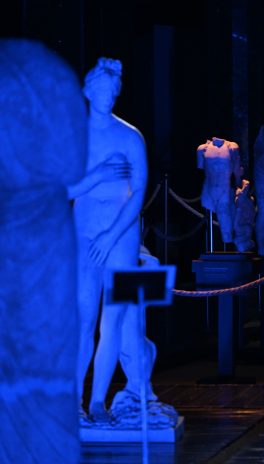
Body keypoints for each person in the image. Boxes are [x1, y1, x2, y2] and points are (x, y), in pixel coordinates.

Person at [0, 39, 86, 463]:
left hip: (41, 235)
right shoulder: (41, 71)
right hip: (38, 230)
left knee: (44, 367)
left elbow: (71, 162)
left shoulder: (38, 73)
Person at [69, 57, 148, 422]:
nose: (108, 96)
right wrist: (97, 176)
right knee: (84, 318)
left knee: (112, 320)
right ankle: (74, 402)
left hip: (121, 236)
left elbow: (138, 191)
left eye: (113, 90)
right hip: (85, 233)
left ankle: (98, 401)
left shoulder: (130, 136)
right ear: (88, 91)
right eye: (102, 89)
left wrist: (111, 234)